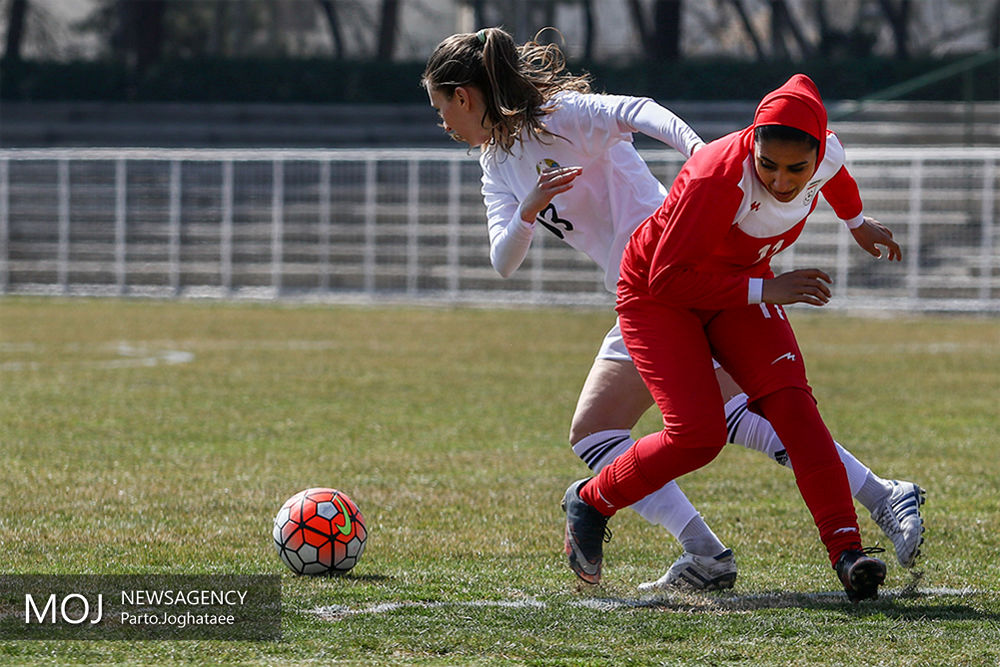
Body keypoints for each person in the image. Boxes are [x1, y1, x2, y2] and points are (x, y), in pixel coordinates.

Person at [421, 29, 924, 593]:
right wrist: (530, 211)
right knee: (662, 425)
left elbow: (639, 111)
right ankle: (732, 544)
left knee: (728, 414)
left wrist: (697, 154)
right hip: (650, 290)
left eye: (442, 108)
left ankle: (757, 539)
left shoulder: (560, 116)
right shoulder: (495, 165)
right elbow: (504, 259)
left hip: (684, 272)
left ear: (465, 97)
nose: (443, 123)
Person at [561, 73, 911, 602]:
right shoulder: (716, 177)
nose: (781, 180)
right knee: (697, 436)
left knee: (794, 407)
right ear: (753, 142)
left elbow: (836, 178)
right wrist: (768, 288)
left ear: (818, 150)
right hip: (661, 295)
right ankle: (592, 500)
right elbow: (667, 278)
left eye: (798, 169)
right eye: (767, 164)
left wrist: (857, 221)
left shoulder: (827, 155)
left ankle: (848, 552)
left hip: (737, 284)